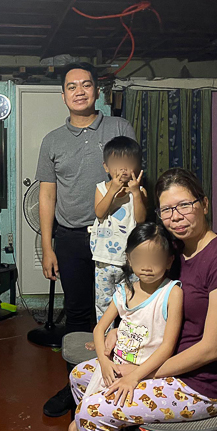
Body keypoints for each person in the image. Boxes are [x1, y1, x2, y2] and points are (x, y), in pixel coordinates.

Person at [78, 168, 217, 431]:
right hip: (160, 363)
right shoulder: (176, 251)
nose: (176, 217)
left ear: (204, 204)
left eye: (184, 205)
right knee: (80, 377)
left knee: (90, 414)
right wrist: (119, 329)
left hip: (201, 387)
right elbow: (147, 297)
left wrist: (139, 373)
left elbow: (212, 348)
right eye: (167, 209)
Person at [36, 62, 137, 417]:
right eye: (71, 86)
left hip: (118, 237)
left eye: (86, 84)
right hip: (71, 238)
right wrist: (48, 246)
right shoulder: (52, 141)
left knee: (124, 314)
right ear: (63, 94)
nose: (79, 91)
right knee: (78, 315)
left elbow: (135, 175)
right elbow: (46, 195)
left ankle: (121, 384)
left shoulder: (118, 127)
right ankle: (77, 385)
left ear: (97, 90)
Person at [68, 223, 183, 431]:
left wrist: (134, 376)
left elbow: (167, 347)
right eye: (140, 258)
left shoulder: (172, 293)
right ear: (129, 259)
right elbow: (99, 329)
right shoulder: (125, 290)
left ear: (169, 261)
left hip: (146, 373)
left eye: (155, 258)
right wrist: (104, 362)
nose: (147, 267)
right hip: (117, 367)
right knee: (76, 375)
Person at [90, 136, 147, 322]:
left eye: (128, 162)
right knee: (103, 303)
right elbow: (100, 213)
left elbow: (141, 220)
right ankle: (104, 336)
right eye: (117, 163)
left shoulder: (139, 191)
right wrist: (113, 189)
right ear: (106, 167)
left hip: (130, 261)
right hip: (104, 260)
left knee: (131, 300)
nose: (123, 168)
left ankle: (127, 338)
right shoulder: (101, 188)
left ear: (137, 166)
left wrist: (136, 192)